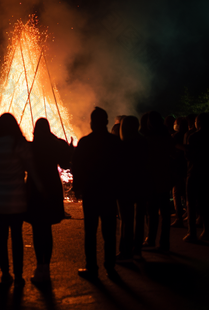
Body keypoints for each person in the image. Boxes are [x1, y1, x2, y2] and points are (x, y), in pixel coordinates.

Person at [0, 113, 41, 291]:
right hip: (17, 199)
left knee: (1, 237)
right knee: (16, 237)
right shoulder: (19, 144)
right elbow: (31, 169)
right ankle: (18, 276)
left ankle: (5, 275)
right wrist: (41, 189)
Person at [73, 107, 122, 281]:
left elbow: (77, 167)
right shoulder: (115, 142)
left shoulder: (85, 142)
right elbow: (121, 168)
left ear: (93, 122)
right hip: (109, 193)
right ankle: (110, 267)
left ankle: (92, 268)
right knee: (109, 232)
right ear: (107, 122)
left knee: (90, 232)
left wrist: (78, 188)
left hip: (92, 193)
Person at [26, 118, 71, 283]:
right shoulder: (54, 145)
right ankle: (46, 268)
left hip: (36, 190)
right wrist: (60, 142)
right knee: (47, 229)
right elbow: (66, 164)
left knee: (38, 229)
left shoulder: (31, 146)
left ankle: (40, 266)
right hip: (51, 188)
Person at [117, 116, 149, 259]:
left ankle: (125, 250)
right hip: (142, 184)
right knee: (139, 218)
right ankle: (137, 248)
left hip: (126, 186)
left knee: (127, 219)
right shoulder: (144, 142)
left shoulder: (123, 145)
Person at [143, 111, 175, 252]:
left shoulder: (148, 139)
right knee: (165, 213)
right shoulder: (167, 137)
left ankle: (150, 240)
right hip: (164, 177)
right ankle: (164, 243)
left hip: (152, 179)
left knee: (152, 211)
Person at [184, 113, 209, 243]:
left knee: (191, 203)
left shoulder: (194, 136)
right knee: (204, 202)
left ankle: (191, 233)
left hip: (194, 172)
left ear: (198, 122)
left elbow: (189, 156)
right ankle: (206, 231)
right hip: (206, 172)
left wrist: (180, 148)